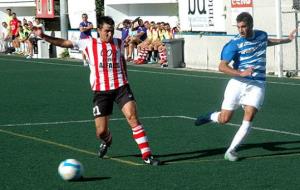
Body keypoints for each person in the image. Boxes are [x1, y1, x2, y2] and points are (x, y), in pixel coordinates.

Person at [32, 16, 160, 166]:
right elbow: (64, 43)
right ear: (99, 30)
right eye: (106, 31)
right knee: (101, 131)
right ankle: (107, 140)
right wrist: (43, 36)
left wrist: (126, 77)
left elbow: (122, 59)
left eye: (112, 31)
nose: (110, 34)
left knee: (132, 117)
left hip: (121, 87)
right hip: (101, 91)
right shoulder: (88, 43)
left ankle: (147, 155)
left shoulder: (118, 43)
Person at [194, 12, 297, 161]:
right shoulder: (234, 44)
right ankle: (210, 116)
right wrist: (240, 73)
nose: (241, 30)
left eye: (244, 26)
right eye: (239, 27)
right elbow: (222, 67)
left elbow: (265, 42)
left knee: (249, 116)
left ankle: (231, 150)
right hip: (238, 83)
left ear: (251, 25)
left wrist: (286, 40)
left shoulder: (261, 35)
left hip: (258, 84)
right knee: (225, 119)